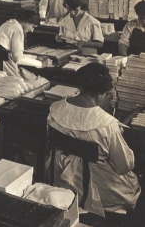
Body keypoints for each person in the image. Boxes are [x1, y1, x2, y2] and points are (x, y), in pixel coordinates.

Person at [47, 63, 140, 216]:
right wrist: (117, 135)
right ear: (101, 94)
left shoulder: (55, 108)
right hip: (97, 190)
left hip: (62, 180)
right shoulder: (106, 125)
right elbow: (124, 166)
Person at [0, 10, 40, 78]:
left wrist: (35, 58)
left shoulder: (7, 24)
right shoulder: (17, 30)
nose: (32, 30)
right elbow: (17, 58)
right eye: (33, 26)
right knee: (25, 83)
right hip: (2, 63)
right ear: (27, 21)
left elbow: (16, 55)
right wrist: (39, 63)